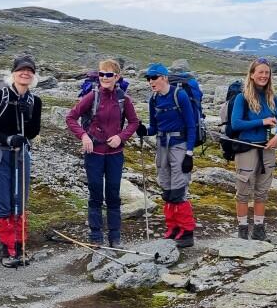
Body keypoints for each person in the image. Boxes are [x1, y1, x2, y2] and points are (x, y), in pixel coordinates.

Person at [65, 59, 139, 248]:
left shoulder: (124, 99)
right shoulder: (92, 96)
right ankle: (96, 236)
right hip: (94, 153)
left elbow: (133, 122)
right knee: (95, 193)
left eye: (109, 75)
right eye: (101, 74)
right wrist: (84, 136)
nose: (104, 78)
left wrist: (121, 137)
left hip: (115, 154)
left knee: (113, 193)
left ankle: (115, 237)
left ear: (117, 77)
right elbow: (71, 117)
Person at [0, 55, 43, 267]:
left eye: (30, 70)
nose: (25, 73)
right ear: (13, 73)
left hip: (20, 155)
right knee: (3, 203)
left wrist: (28, 116)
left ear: (34, 75)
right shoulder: (0, 95)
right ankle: (6, 249)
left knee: (20, 201)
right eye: (21, 70)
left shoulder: (35, 101)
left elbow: (33, 132)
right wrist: (7, 138)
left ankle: (18, 246)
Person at [135, 63, 197, 248]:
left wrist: (189, 153)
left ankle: (187, 232)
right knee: (167, 190)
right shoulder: (153, 100)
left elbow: (191, 125)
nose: (150, 82)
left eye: (153, 78)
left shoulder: (180, 95)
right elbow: (154, 128)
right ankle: (172, 228)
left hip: (179, 145)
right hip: (162, 146)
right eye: (148, 79)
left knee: (178, 189)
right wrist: (143, 130)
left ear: (164, 77)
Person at [229, 58, 277, 241]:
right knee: (244, 191)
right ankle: (243, 230)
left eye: (266, 73)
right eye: (260, 72)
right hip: (247, 148)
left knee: (262, 191)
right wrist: (262, 122)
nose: (263, 76)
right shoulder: (242, 97)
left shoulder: (272, 98)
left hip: (268, 149)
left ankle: (259, 230)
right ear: (252, 75)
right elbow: (236, 123)